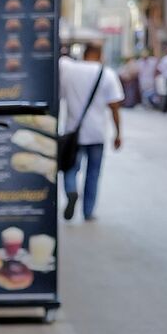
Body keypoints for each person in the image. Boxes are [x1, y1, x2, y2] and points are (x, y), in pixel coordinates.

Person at [59, 37, 121, 223]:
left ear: (84, 53)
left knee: (70, 168)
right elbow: (115, 106)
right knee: (93, 174)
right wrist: (118, 133)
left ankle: (71, 191)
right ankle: (88, 212)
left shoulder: (69, 70)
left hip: (73, 132)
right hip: (96, 134)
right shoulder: (107, 73)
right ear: (100, 55)